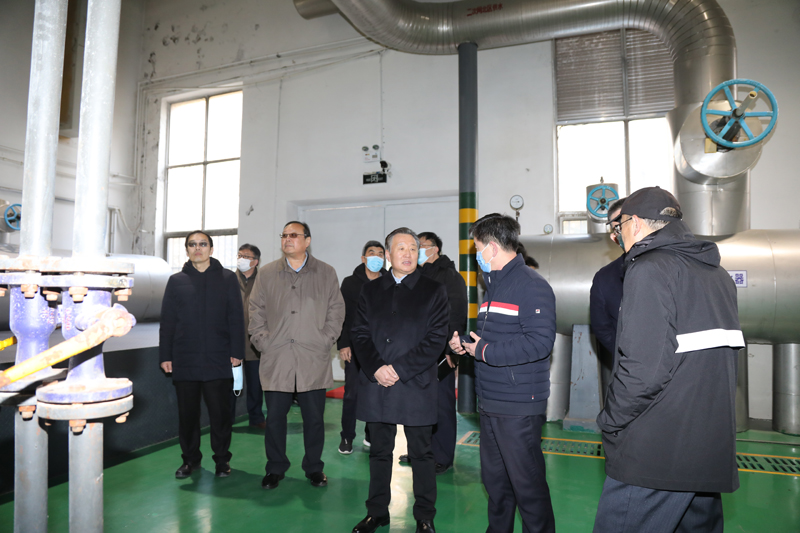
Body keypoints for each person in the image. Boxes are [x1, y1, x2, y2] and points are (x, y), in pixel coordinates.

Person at [594, 187, 743, 532]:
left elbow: (644, 370)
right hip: (706, 445)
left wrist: (611, 420)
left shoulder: (650, 268)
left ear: (634, 224)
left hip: (656, 451)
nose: (618, 237)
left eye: (618, 228)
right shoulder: (717, 275)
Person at [449, 213, 557, 533]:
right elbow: (494, 337)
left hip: (518, 405)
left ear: (492, 248)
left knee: (528, 488)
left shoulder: (531, 286)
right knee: (496, 484)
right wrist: (466, 344)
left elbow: (539, 343)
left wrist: (483, 351)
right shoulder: (494, 286)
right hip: (492, 400)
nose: (476, 254)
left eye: (477, 247)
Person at [351, 228, 449, 533]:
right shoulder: (370, 290)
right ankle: (377, 512)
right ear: (388, 255)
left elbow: (436, 339)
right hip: (377, 383)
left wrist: (399, 369)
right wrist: (377, 368)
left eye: (413, 249)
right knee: (379, 451)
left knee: (421, 453)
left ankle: (425, 516)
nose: (407, 254)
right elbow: (359, 333)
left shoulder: (433, 290)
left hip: (416, 383)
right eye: (401, 248)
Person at [248, 221, 345, 490]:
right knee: (275, 418)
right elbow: (255, 311)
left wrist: (325, 340)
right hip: (277, 356)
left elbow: (336, 311)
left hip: (312, 356)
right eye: (284, 235)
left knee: (314, 419)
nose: (287, 239)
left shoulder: (326, 272)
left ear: (307, 240)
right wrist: (263, 341)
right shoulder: (267, 273)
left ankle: (314, 467)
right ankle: (275, 467)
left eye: (294, 235)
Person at [159, 230, 245, 479]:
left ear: (211, 249)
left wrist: (237, 352)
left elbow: (236, 318)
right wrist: (166, 355)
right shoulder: (176, 281)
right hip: (185, 359)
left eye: (203, 244)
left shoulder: (227, 278)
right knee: (188, 416)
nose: (198, 248)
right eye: (192, 244)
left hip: (219, 358)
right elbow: (168, 321)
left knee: (220, 415)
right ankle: (190, 460)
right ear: (187, 249)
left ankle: (222, 460)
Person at [396, 231, 466, 474]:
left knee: (441, 405)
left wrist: (450, 350)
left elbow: (456, 314)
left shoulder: (449, 276)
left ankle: (442, 456)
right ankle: (419, 451)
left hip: (440, 354)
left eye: (420, 246)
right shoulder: (415, 274)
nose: (415, 251)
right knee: (417, 405)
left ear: (435, 249)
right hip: (415, 353)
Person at [337, 240, 387, 454]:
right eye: (371, 253)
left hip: (381, 349)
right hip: (355, 348)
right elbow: (343, 315)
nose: (376, 257)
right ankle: (347, 436)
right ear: (363, 258)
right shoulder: (350, 283)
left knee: (376, 393)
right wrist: (343, 344)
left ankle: (370, 434)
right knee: (352, 394)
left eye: (380, 253)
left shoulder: (390, 281)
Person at [589, 197, 625, 400]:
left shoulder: (675, 269)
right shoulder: (606, 277)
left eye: (620, 227)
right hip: (629, 374)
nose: (616, 235)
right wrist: (625, 353)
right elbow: (601, 327)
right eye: (614, 230)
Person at [229, 243, 266, 429]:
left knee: (255, 385)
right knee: (231, 384)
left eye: (246, 256)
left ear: (255, 261)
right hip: (232, 342)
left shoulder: (264, 282)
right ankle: (226, 420)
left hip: (255, 343)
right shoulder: (228, 280)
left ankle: (256, 417)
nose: (241, 259)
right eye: (239, 256)